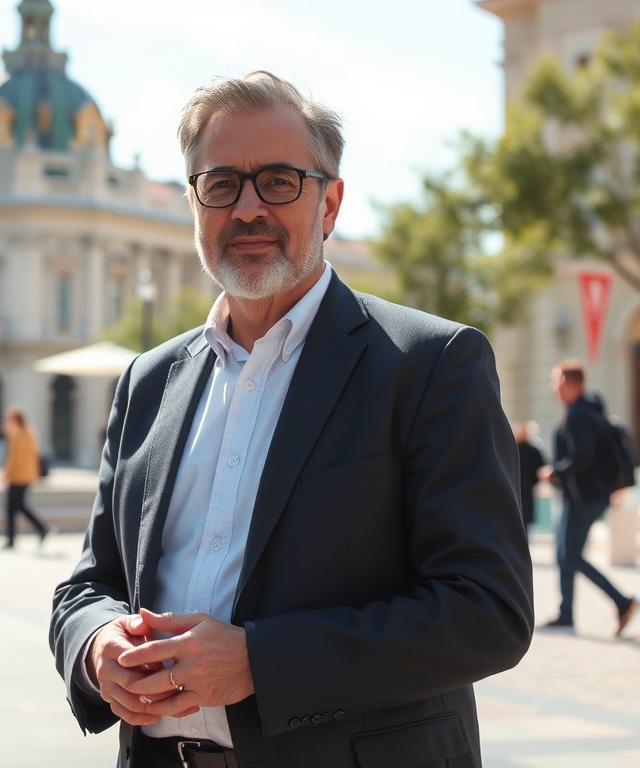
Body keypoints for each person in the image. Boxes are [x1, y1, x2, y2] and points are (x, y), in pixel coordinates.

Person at [49, 70, 534, 768]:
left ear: (330, 203)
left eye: (279, 181)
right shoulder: (148, 381)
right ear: (193, 204)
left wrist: (259, 663)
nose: (248, 208)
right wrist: (98, 648)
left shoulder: (429, 365)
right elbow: (90, 584)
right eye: (220, 184)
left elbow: (488, 611)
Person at [538, 359, 638, 635]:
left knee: (569, 555)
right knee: (564, 553)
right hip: (589, 495)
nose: (553, 386)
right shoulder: (589, 410)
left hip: (584, 496)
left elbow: (583, 457)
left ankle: (621, 600)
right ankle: (566, 613)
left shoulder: (578, 414)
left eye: (556, 380)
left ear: (570, 383)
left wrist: (554, 472)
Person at [0, 406, 54, 549]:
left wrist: (6, 474)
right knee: (18, 506)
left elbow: (13, 457)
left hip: (17, 476)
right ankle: (41, 529)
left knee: (13, 508)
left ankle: (39, 529)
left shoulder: (16, 434)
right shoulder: (30, 432)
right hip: (27, 475)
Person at [514, 421, 546, 529]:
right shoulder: (534, 450)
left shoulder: (511, 449)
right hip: (527, 488)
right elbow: (541, 469)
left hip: (516, 487)